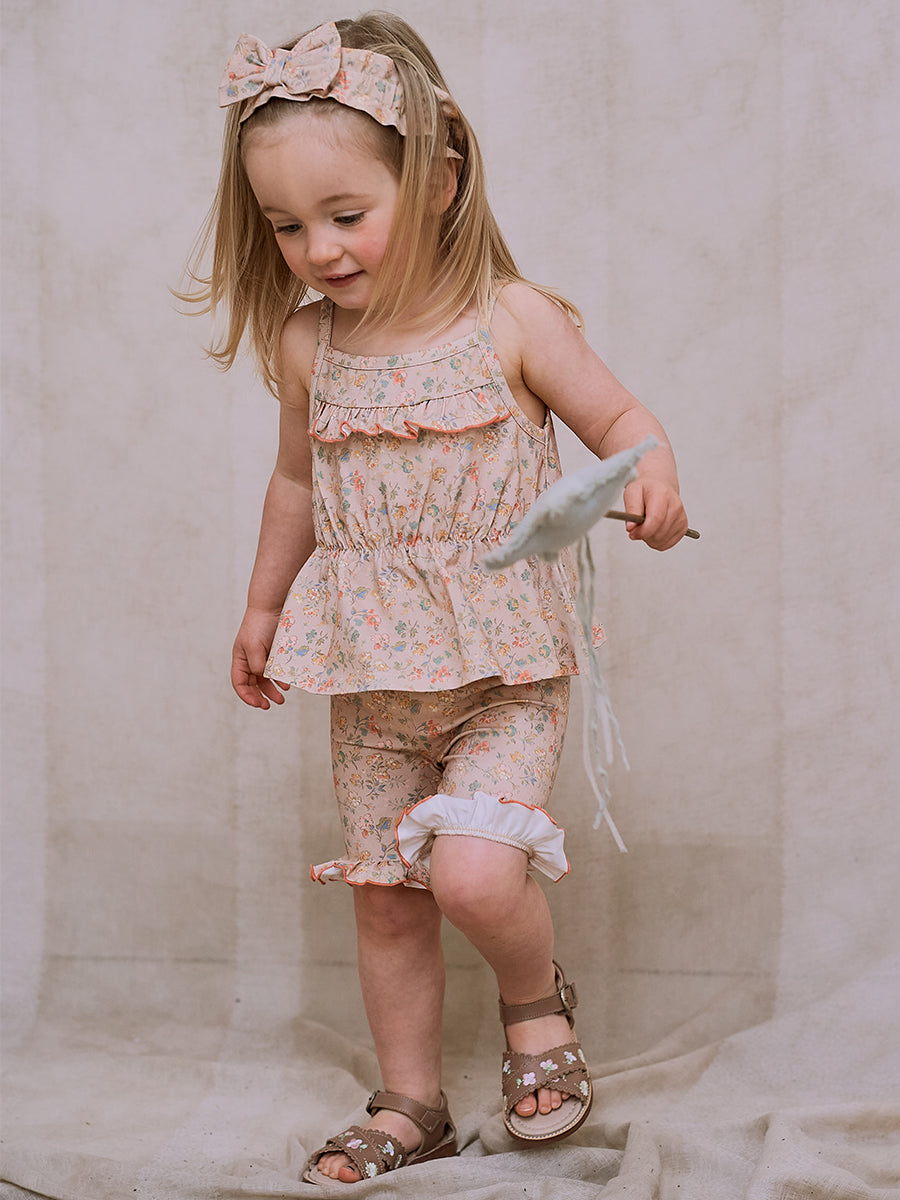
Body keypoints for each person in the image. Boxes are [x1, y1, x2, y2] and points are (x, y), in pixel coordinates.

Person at [185, 11, 688, 1184]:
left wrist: (653, 474)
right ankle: (411, 1102)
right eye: (287, 225)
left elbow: (623, 421)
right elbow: (296, 484)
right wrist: (261, 610)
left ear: (440, 179)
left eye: (345, 213)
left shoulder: (513, 320)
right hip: (370, 670)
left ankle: (535, 1007)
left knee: (470, 870)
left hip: (505, 665)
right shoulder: (310, 346)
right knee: (389, 897)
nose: (318, 248)